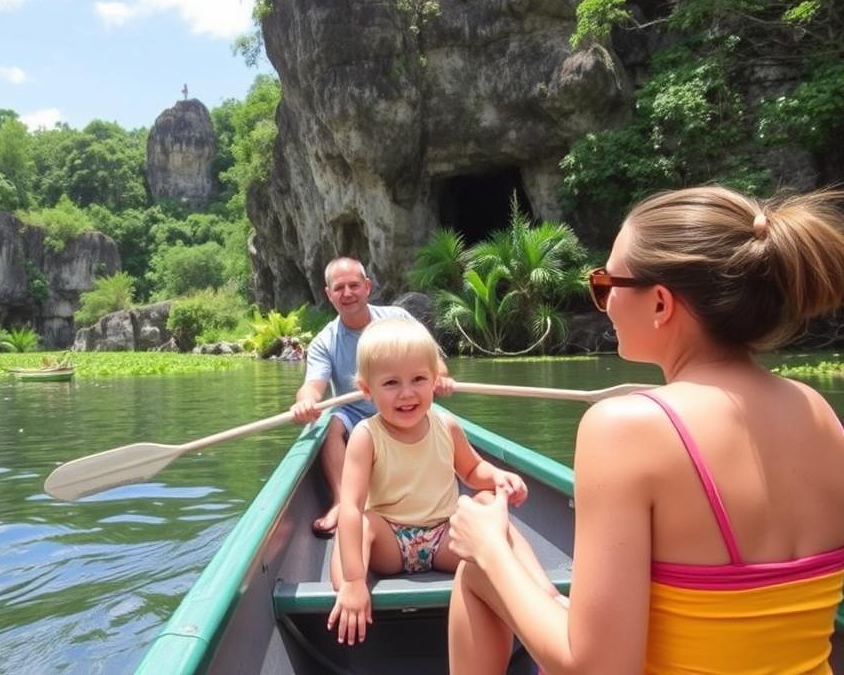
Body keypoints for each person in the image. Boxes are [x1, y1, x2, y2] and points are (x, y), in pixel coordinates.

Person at [447, 185, 844, 674]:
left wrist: (487, 548)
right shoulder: (819, 412)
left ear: (660, 303)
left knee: (481, 565)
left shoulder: (627, 429)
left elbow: (596, 669)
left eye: (606, 284)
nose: (605, 302)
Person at [327, 318, 556, 647]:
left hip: (444, 537)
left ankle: (543, 591)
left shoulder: (446, 425)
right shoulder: (366, 436)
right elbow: (349, 506)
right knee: (360, 522)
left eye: (418, 379)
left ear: (435, 380)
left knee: (487, 504)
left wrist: (498, 477)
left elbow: (473, 470)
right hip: (390, 542)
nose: (407, 393)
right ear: (367, 390)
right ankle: (351, 586)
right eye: (391, 383)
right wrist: (353, 578)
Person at [291, 257, 455, 535]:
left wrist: (441, 378)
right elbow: (312, 386)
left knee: (441, 420)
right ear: (328, 294)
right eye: (339, 287)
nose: (347, 293)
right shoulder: (324, 341)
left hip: (406, 406)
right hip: (356, 417)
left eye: (354, 285)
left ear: (367, 287)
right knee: (331, 424)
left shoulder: (399, 319)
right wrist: (304, 402)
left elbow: (433, 363)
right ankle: (343, 501)